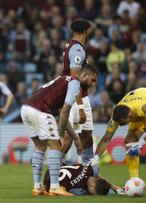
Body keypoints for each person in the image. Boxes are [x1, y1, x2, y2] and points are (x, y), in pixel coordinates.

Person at [21, 64, 98, 196]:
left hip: (26, 109)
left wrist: (74, 137)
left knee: (40, 147)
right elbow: (65, 111)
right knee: (55, 145)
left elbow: (64, 115)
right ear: (84, 75)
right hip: (40, 110)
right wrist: (61, 135)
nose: (92, 84)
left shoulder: (64, 80)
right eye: (92, 80)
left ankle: (37, 187)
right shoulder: (75, 84)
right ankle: (55, 187)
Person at [91, 88, 146, 178]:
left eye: (123, 123)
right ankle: (134, 180)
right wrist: (96, 158)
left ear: (130, 116)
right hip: (139, 110)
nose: (121, 125)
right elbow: (106, 139)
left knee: (136, 143)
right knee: (130, 143)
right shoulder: (116, 114)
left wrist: (141, 143)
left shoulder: (144, 109)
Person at [60, 18, 95, 164]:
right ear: (85, 31)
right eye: (89, 32)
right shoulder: (77, 49)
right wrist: (80, 107)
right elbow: (75, 80)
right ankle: (51, 177)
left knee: (87, 136)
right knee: (68, 139)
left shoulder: (73, 47)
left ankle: (88, 173)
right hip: (74, 98)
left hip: (81, 97)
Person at [43, 163, 125, 195]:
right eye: (93, 193)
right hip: (48, 184)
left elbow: (96, 174)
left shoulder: (91, 169)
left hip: (52, 169)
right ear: (92, 186)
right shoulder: (80, 190)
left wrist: (112, 185)